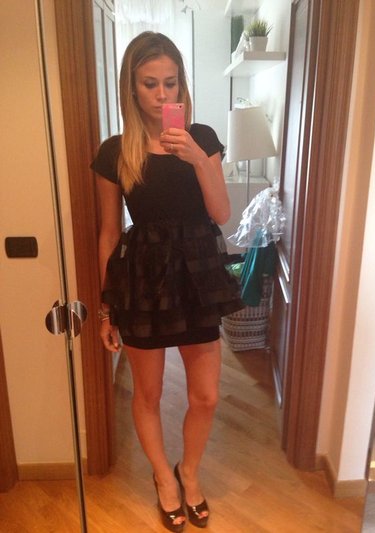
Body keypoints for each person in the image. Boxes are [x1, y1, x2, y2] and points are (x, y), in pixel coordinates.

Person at [91, 31, 243, 532]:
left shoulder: (201, 138)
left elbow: (221, 213)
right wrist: (106, 307)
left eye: (170, 83)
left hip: (197, 275)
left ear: (181, 85)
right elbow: (109, 232)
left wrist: (197, 157)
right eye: (150, 84)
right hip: (144, 280)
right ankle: (164, 478)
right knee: (148, 394)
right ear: (131, 88)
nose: (162, 95)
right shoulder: (115, 152)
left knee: (206, 396)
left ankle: (189, 470)